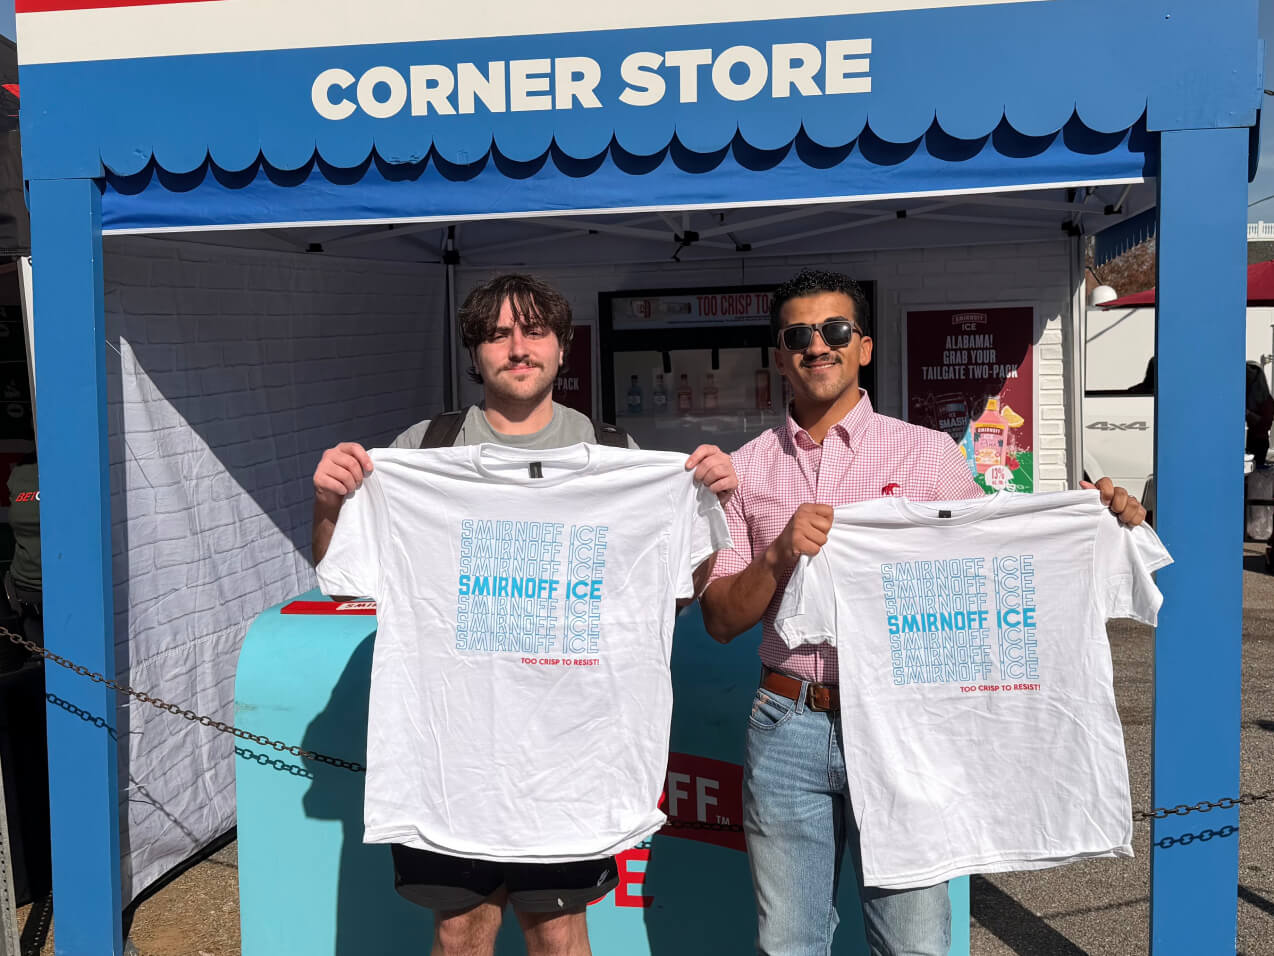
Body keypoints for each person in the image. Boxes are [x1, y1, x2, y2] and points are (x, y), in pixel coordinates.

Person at [699, 268, 1146, 956]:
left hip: (906, 725)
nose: (817, 345)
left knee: (914, 944)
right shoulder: (745, 469)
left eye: (835, 330)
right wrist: (779, 553)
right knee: (788, 943)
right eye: (797, 336)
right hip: (788, 725)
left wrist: (1092, 525)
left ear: (865, 346)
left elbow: (993, 571)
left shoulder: (928, 456)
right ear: (779, 357)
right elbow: (721, 620)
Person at [311, 273, 737, 956]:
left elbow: (677, 591)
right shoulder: (422, 452)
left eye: (534, 331)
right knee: (458, 933)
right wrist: (331, 503)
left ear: (563, 347)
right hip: (450, 759)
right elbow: (344, 576)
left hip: (570, 758)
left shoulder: (617, 458)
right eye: (497, 334)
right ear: (474, 352)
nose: (517, 347)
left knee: (560, 934)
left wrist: (705, 505)